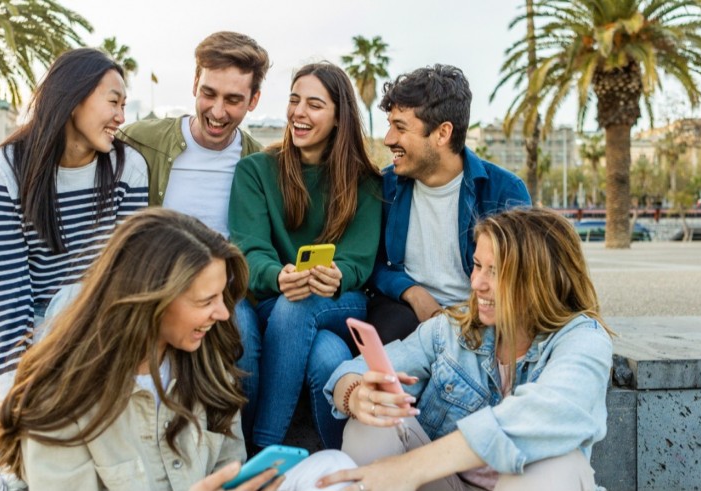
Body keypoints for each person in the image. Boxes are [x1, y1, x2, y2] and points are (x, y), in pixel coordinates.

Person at [0, 209, 357, 491]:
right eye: (206, 300)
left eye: (222, 297)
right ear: (150, 300)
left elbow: (230, 462)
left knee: (336, 469)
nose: (224, 314)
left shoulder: (208, 363)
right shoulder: (60, 394)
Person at [318, 208, 615, 491]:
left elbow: (552, 413)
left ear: (541, 281)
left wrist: (411, 467)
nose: (476, 283)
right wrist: (356, 395)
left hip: (523, 483)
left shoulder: (583, 339)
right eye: (477, 265)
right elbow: (351, 371)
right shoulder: (452, 331)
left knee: (558, 464)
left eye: (495, 272)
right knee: (373, 421)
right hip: (447, 484)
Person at [228, 62, 382, 451]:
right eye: (294, 100)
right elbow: (249, 249)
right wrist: (279, 275)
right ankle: (331, 462)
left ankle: (261, 451)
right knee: (326, 357)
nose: (298, 112)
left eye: (314, 104)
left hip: (336, 301)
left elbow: (359, 260)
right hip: (270, 295)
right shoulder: (256, 171)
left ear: (338, 117)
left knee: (302, 304)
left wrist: (338, 274)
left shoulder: (365, 181)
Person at [0, 47, 149, 401]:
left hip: (102, 317)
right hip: (34, 316)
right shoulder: (6, 167)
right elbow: (11, 291)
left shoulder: (128, 167)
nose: (121, 116)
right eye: (113, 102)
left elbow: (129, 277)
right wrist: (14, 396)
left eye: (124, 105)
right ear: (73, 100)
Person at [367, 64, 531, 345]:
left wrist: (469, 315)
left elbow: (523, 277)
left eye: (400, 127)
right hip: (404, 313)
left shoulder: (504, 192)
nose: (388, 139)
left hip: (483, 316)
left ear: (442, 133)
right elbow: (374, 262)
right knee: (390, 326)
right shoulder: (385, 186)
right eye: (389, 125)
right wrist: (413, 292)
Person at [118, 31, 269, 237]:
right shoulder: (136, 140)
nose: (217, 111)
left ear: (253, 100)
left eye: (232, 100)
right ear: (195, 83)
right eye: (208, 93)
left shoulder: (261, 164)